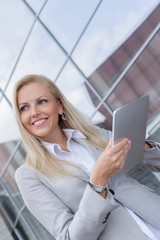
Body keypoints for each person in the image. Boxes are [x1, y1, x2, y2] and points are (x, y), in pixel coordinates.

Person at [13, 74, 160, 240]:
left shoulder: (93, 135)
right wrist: (98, 181)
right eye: (24, 107)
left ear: (59, 106)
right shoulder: (28, 175)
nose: (34, 112)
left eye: (42, 101)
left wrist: (141, 145)